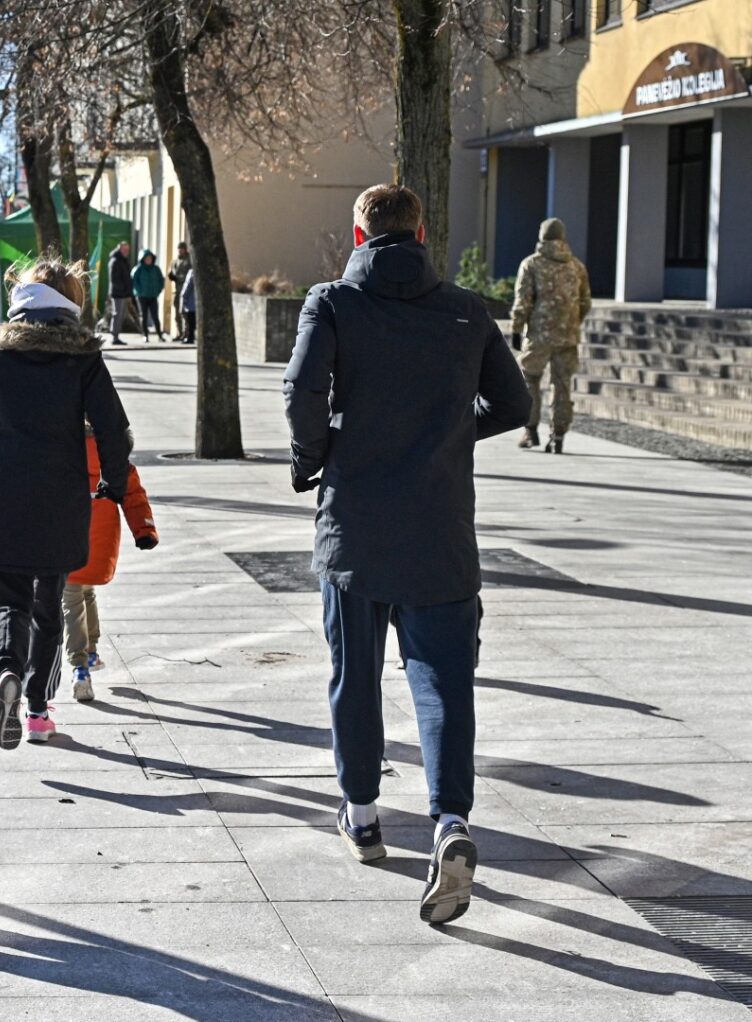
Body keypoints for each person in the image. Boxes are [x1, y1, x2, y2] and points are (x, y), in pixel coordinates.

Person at [283, 184, 530, 926]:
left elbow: (302, 390)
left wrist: (313, 458)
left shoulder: (333, 303)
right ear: (421, 234)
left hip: (354, 526)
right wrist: (448, 433)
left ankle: (362, 817)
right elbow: (513, 404)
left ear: (359, 235)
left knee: (354, 675)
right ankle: (450, 821)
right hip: (439, 528)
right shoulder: (465, 311)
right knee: (444, 681)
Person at [0, 258, 132, 748]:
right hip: (60, 500)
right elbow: (113, 430)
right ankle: (36, 711)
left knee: (11, 604)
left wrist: (6, 446)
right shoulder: (84, 360)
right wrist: (113, 484)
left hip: (4, 500)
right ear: (70, 303)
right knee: (48, 607)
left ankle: (7, 671)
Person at [63, 425, 158, 702]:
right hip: (102, 535)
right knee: (86, 591)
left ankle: (79, 666)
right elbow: (134, 496)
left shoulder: (63, 452)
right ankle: (91, 651)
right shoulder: (115, 460)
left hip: (67, 533)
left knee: (71, 599)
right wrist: (144, 531)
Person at [511, 217, 591, 454]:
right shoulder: (576, 266)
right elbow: (585, 302)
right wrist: (572, 324)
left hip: (539, 335)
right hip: (568, 336)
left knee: (529, 378)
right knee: (562, 384)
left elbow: (523, 301)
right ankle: (558, 436)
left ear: (542, 236)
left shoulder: (532, 264)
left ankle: (530, 430)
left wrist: (516, 328)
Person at [131, 249, 166, 342]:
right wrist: (139, 291)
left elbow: (161, 280)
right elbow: (134, 281)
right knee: (144, 316)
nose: (148, 260)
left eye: (150, 258)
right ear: (143, 259)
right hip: (142, 296)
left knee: (155, 316)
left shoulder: (156, 269)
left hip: (153, 296)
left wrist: (158, 290)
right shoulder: (138, 269)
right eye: (146, 258)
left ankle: (160, 335)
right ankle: (145, 335)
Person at [107, 241, 133, 345]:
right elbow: (114, 278)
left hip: (121, 292)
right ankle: (114, 336)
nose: (127, 252)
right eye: (125, 250)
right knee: (117, 314)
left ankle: (116, 335)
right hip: (118, 292)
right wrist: (123, 289)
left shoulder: (121, 260)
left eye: (128, 250)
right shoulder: (116, 261)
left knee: (119, 314)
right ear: (120, 249)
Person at [179, 268, 196, 345]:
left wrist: (183, 296)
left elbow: (188, 285)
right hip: (194, 302)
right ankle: (190, 337)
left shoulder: (192, 272)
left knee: (189, 322)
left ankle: (190, 337)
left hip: (191, 302)